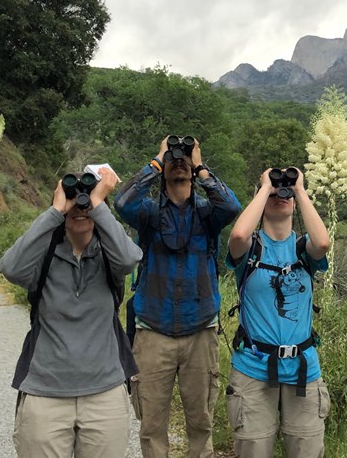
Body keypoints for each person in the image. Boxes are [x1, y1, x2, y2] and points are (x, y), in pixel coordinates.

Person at [0, 167, 142, 458]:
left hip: (105, 391)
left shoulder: (109, 256)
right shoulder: (45, 255)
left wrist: (99, 204)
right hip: (44, 391)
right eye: (74, 198)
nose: (81, 205)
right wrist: (55, 210)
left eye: (88, 198)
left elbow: (130, 260)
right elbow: (10, 268)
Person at [114, 135, 241, 458]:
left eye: (184, 156)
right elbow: (121, 203)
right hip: (152, 330)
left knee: (201, 422)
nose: (179, 160)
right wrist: (158, 160)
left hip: (200, 330)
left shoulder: (207, 214)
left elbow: (232, 206)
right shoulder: (147, 213)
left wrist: (200, 165)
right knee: (152, 426)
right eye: (174, 156)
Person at [225, 167, 331, 458]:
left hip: (303, 369)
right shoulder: (251, 249)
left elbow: (322, 242)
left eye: (285, 194)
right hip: (253, 367)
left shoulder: (303, 248)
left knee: (306, 450)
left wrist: (299, 189)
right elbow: (238, 234)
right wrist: (265, 187)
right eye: (273, 193)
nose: (279, 196)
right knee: (254, 449)